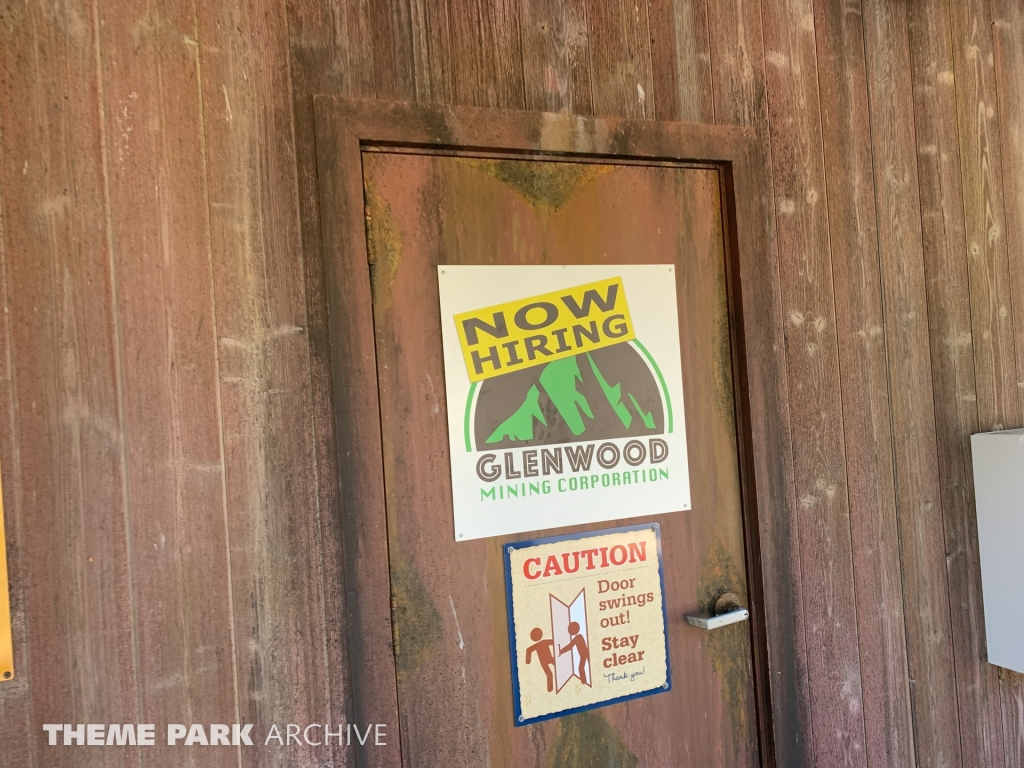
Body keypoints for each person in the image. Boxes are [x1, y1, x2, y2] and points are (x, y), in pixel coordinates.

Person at [558, 621, 590, 686]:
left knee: (581, 668)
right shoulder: (578, 637)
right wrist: (560, 651)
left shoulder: (578, 637)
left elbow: (569, 646)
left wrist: (560, 651)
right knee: (580, 668)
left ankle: (584, 681)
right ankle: (584, 682)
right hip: (583, 656)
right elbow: (570, 646)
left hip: (585, 654)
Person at [525, 627, 555, 692]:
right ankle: (550, 689)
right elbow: (528, 650)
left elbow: (528, 650)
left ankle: (550, 689)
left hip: (547, 660)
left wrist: (528, 661)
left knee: (550, 673)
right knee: (549, 673)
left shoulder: (542, 642)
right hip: (545, 661)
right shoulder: (542, 643)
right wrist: (528, 661)